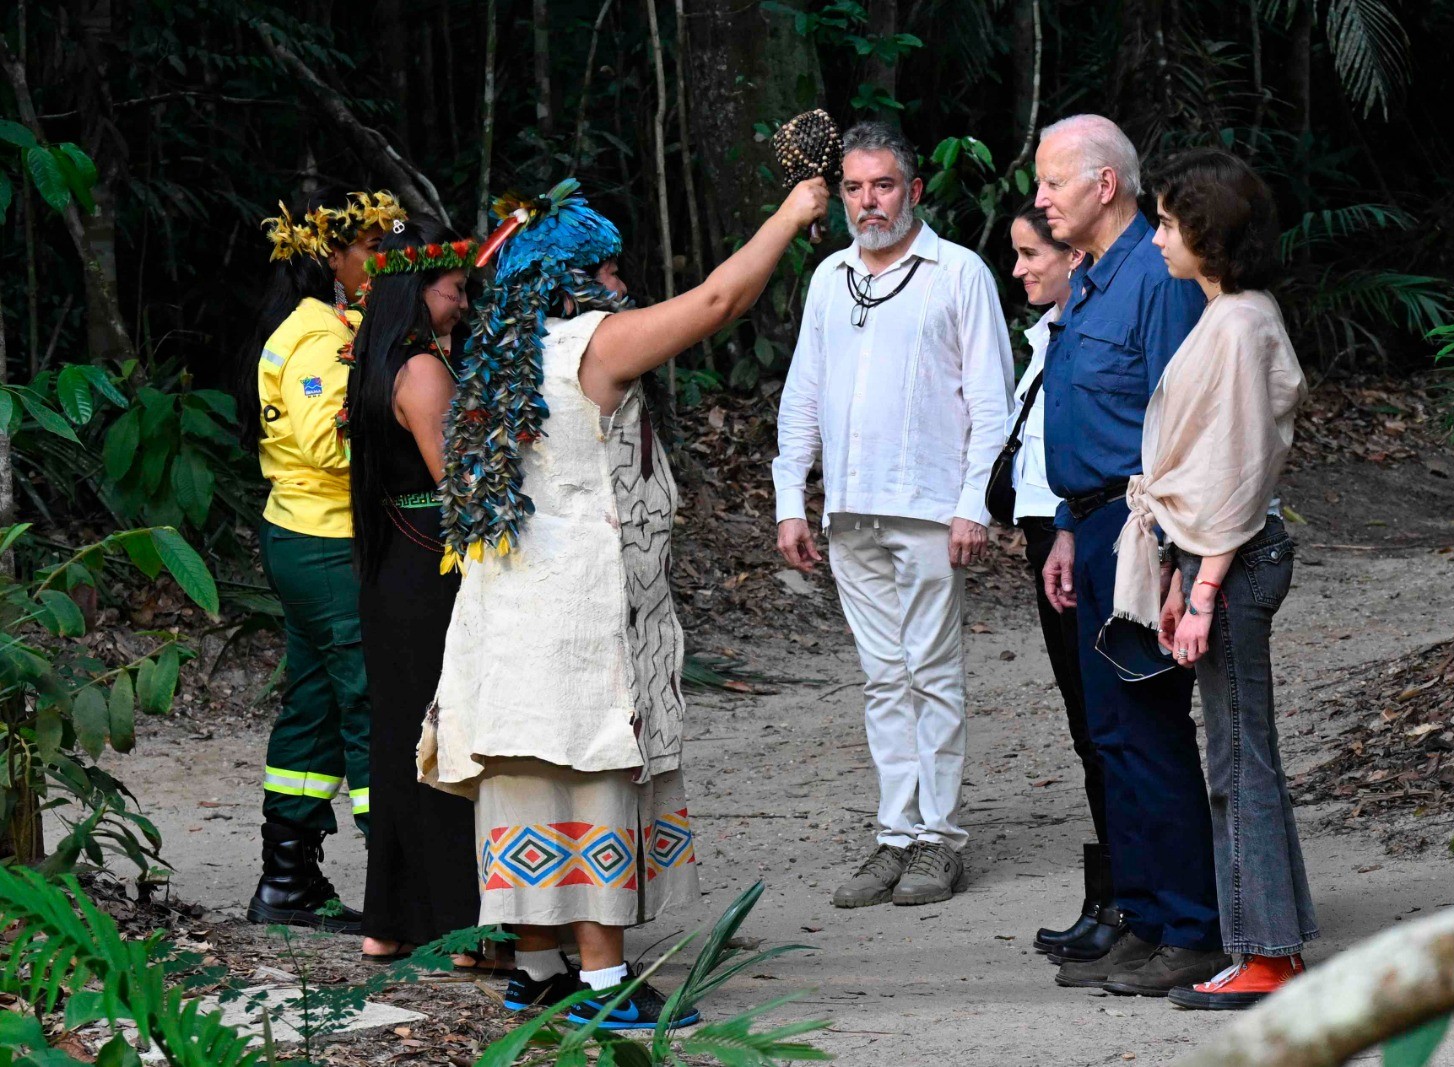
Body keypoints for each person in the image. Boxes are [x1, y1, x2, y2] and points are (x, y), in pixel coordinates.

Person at [421, 176, 830, 1026]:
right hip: (575, 618)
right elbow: (717, 300)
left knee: (530, 781)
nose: (621, 285)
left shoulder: (506, 351)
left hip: (512, 617)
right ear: (574, 276)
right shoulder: (589, 344)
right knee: (590, 776)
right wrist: (791, 215)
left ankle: (538, 966)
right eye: (610, 270)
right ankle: (604, 984)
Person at [772, 121, 1013, 910]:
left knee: (930, 672)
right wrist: (790, 501)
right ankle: (894, 835)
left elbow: (990, 398)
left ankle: (937, 840)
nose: (868, 201)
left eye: (883, 185)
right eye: (854, 187)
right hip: (850, 509)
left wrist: (973, 502)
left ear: (913, 189)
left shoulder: (957, 272)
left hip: (928, 507)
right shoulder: (830, 277)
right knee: (883, 677)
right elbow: (802, 394)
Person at [1105, 147, 1314, 1009]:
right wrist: (1179, 571)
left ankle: (1264, 954)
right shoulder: (1232, 312)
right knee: (1242, 755)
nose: (1156, 238)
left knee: (1237, 763)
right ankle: (1273, 941)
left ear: (1208, 234)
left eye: (1166, 222)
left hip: (1230, 561)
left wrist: (1200, 589)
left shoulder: (1235, 324)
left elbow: (1234, 469)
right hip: (1213, 555)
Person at [1031, 116, 1230, 996]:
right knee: (1110, 734)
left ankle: (1194, 926)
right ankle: (1142, 919)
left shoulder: (1156, 278)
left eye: (1051, 183)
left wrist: (1185, 564)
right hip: (1094, 526)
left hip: (1145, 535)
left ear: (1103, 184)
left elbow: (1188, 427)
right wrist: (1070, 529)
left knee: (1147, 730)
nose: (1039, 200)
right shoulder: (1088, 281)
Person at [240, 189, 406, 932]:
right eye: (368, 246)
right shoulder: (314, 335)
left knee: (313, 705)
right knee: (369, 697)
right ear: (329, 254)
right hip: (324, 539)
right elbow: (326, 440)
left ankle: (287, 881)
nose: (380, 258)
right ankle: (402, 890)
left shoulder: (328, 323)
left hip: (308, 536)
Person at [345, 219, 499, 970]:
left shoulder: (377, 359)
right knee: (443, 739)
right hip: (427, 563)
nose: (464, 303)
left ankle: (391, 921)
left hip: (389, 567)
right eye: (455, 289)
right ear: (420, 287)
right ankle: (461, 931)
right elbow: (459, 487)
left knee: (400, 737)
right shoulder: (426, 370)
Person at [1004, 207, 1118, 961]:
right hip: (1050, 533)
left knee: (1111, 723)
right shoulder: (1047, 336)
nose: (1018, 270)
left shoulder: (1088, 334)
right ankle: (1114, 891)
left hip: (1077, 529)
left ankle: (1129, 896)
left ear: (1073, 258)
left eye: (1027, 254)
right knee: (1090, 726)